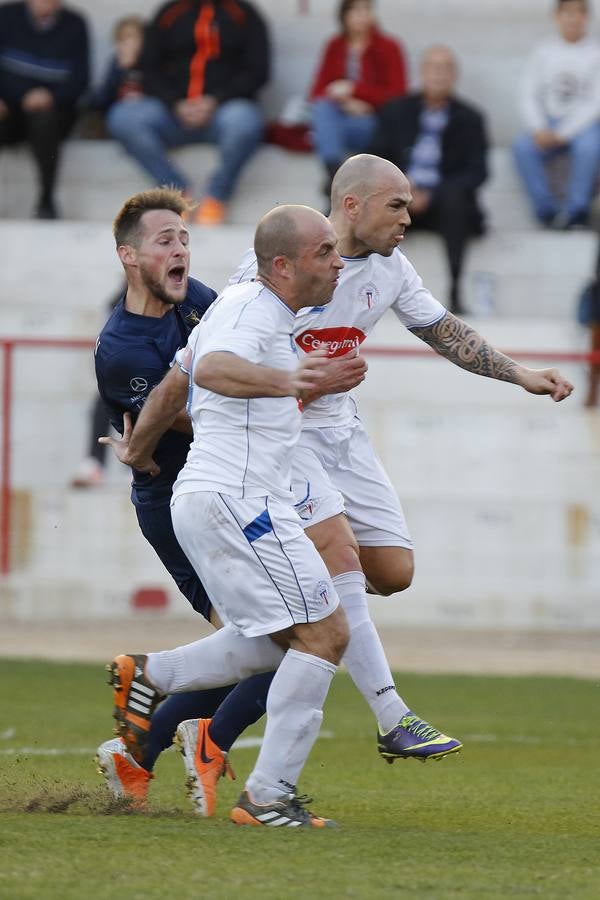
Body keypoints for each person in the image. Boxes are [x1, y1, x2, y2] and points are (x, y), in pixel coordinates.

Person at [93, 187, 366, 815]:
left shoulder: (215, 303)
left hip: (233, 496)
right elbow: (211, 369)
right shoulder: (220, 321)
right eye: (326, 251)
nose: (338, 261)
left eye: (184, 237)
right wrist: (293, 381)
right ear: (284, 266)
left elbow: (179, 377)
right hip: (225, 500)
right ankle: (261, 791)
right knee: (323, 634)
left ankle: (153, 681)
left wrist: (138, 447)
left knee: (274, 643)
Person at [106, 0, 269, 226]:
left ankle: (216, 196)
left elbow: (258, 71)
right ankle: (175, 192)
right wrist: (175, 102)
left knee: (246, 120)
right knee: (123, 117)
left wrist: (215, 100)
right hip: (172, 113)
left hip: (223, 114)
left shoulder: (243, 13)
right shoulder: (169, 13)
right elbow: (149, 68)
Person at [370, 45, 488, 313]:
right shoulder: (395, 111)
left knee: (455, 200)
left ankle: (455, 291)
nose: (439, 75)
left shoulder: (471, 118)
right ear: (422, 72)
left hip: (444, 204)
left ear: (455, 75)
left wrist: (433, 193)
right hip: (397, 198)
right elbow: (375, 158)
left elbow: (477, 172)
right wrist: (403, 188)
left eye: (445, 68)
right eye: (433, 68)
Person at [513, 0, 600, 230]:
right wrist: (539, 127)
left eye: (579, 13)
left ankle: (577, 210)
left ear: (587, 18)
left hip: (583, 126)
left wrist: (565, 132)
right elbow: (528, 93)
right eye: (567, 13)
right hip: (547, 122)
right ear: (557, 17)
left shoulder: (596, 52)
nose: (573, 19)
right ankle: (546, 210)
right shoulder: (544, 51)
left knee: (590, 147)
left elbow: (595, 103)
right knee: (522, 147)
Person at [0, 0, 89, 219]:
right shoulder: (6, 16)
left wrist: (51, 97)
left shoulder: (75, 24)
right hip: (8, 109)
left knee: (45, 121)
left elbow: (81, 80)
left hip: (52, 111)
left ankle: (46, 200)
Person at [310, 0, 407, 198]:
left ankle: (335, 178)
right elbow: (316, 92)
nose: (362, 15)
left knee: (326, 128)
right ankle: (333, 172)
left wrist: (355, 90)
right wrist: (346, 103)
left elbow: (398, 96)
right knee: (322, 108)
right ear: (344, 15)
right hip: (340, 118)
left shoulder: (389, 47)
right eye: (355, 10)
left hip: (373, 123)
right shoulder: (335, 46)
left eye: (367, 9)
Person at [87, 16, 145, 118]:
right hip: (117, 116)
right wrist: (121, 70)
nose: (125, 42)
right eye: (120, 39)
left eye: (130, 36)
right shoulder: (116, 61)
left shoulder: (153, 62)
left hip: (141, 117)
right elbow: (104, 97)